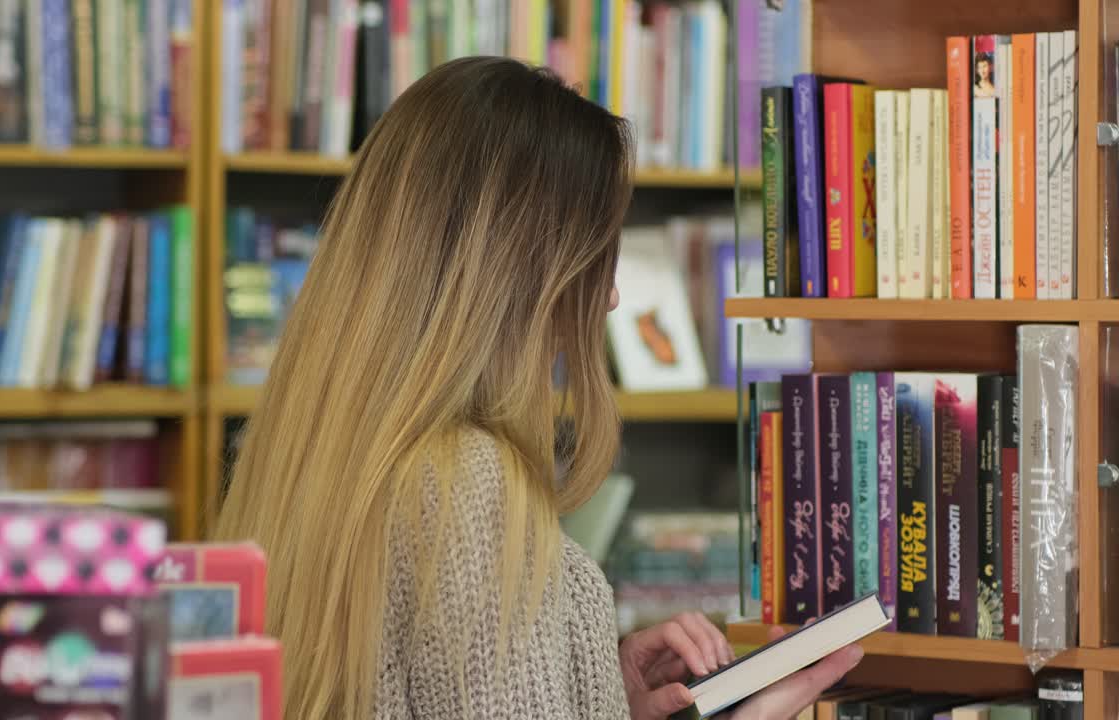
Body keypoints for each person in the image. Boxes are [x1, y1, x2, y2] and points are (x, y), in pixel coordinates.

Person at [214, 57, 864, 720]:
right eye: (597, 255)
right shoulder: (467, 484)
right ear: (523, 270)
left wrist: (594, 686)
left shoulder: (298, 451)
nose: (610, 296)